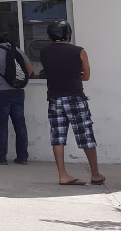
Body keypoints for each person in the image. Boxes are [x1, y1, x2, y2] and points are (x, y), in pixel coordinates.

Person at [40, 20, 104, 186]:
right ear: (68, 34)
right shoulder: (79, 51)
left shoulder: (44, 52)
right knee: (85, 135)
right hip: (75, 97)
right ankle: (95, 174)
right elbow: (86, 76)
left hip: (54, 98)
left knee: (58, 137)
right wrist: (77, 74)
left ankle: (62, 175)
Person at [0, 28, 34, 165]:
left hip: (1, 94)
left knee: (2, 126)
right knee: (20, 125)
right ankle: (22, 157)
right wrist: (17, 82)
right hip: (18, 93)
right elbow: (30, 70)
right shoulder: (17, 50)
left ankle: (0, 157)